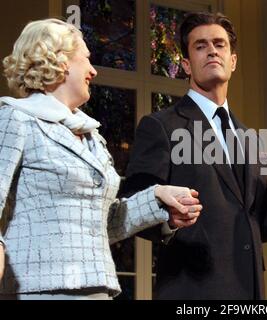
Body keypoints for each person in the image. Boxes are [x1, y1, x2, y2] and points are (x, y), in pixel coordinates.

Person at [120, 12, 267, 300]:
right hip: (190, 293)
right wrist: (169, 220)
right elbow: (133, 205)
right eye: (200, 46)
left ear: (233, 61)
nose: (212, 50)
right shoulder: (161, 126)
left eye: (220, 44)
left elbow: (261, 223)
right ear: (186, 64)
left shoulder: (248, 137)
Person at [0, 18, 202, 300]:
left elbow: (105, 223)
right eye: (86, 59)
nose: (93, 70)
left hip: (97, 288)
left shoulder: (91, 136)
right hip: (38, 288)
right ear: (60, 61)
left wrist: (159, 199)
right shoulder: (16, 119)